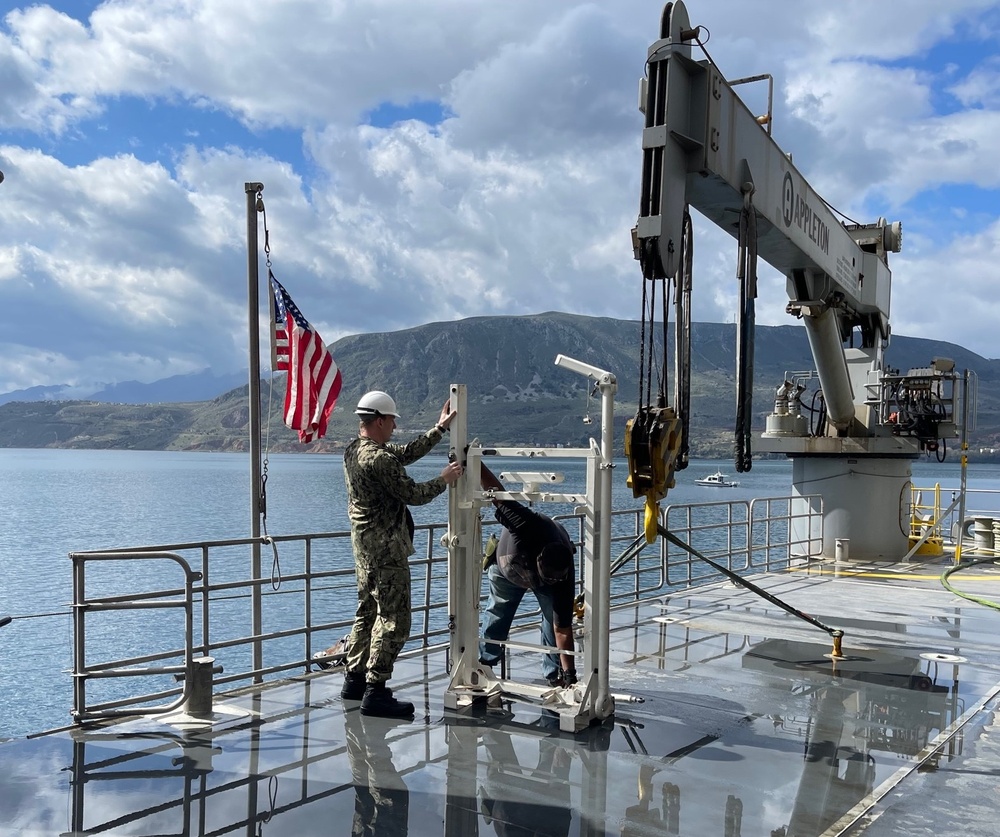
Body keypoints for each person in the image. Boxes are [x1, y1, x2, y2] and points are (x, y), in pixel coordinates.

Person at [339, 390, 463, 718]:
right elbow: (413, 494)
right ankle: (375, 691)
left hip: (364, 549)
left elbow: (404, 454)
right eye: (392, 420)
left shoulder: (355, 450)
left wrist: (439, 429)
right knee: (395, 620)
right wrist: (445, 480)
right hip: (387, 551)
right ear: (379, 420)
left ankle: (354, 679)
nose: (394, 426)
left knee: (367, 612)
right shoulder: (379, 458)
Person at [479, 463, 578, 687]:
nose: (546, 582)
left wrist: (570, 674)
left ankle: (555, 675)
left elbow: (562, 628)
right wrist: (470, 461)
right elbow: (496, 492)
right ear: (538, 561)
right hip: (507, 568)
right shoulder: (526, 525)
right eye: (546, 578)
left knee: (553, 619)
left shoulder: (563, 575)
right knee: (498, 613)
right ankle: (484, 665)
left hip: (534, 567)